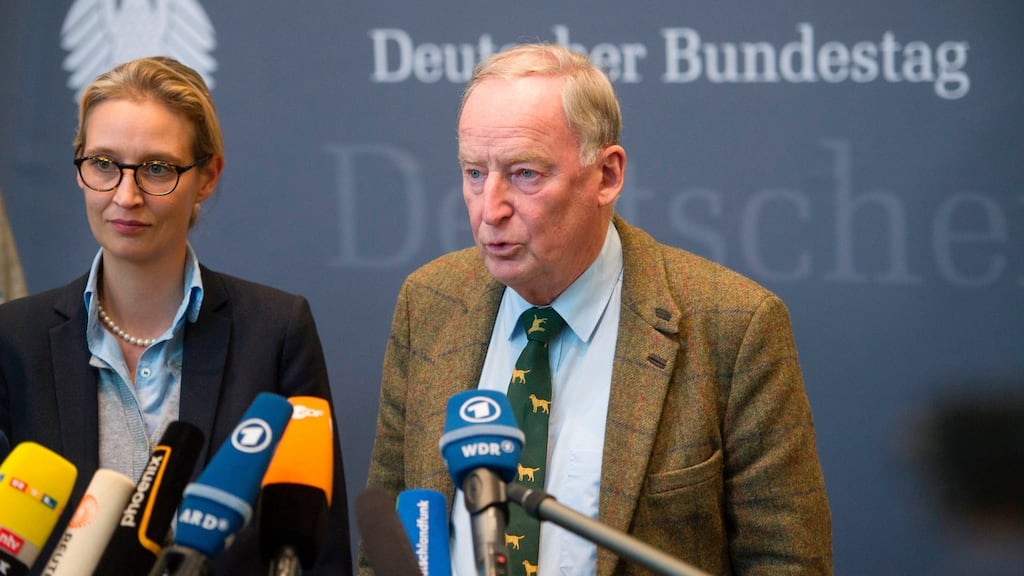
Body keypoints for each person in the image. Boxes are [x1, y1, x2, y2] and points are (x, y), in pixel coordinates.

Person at [363, 43, 832, 575]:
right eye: (474, 173)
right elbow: (387, 542)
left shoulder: (734, 326)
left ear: (606, 175)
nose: (489, 209)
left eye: (524, 174)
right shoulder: (428, 302)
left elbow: (787, 563)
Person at [0, 57, 352, 574]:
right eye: (103, 164)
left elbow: (320, 551)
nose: (125, 195)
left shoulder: (276, 330)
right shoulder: (14, 339)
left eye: (157, 169)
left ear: (207, 176)